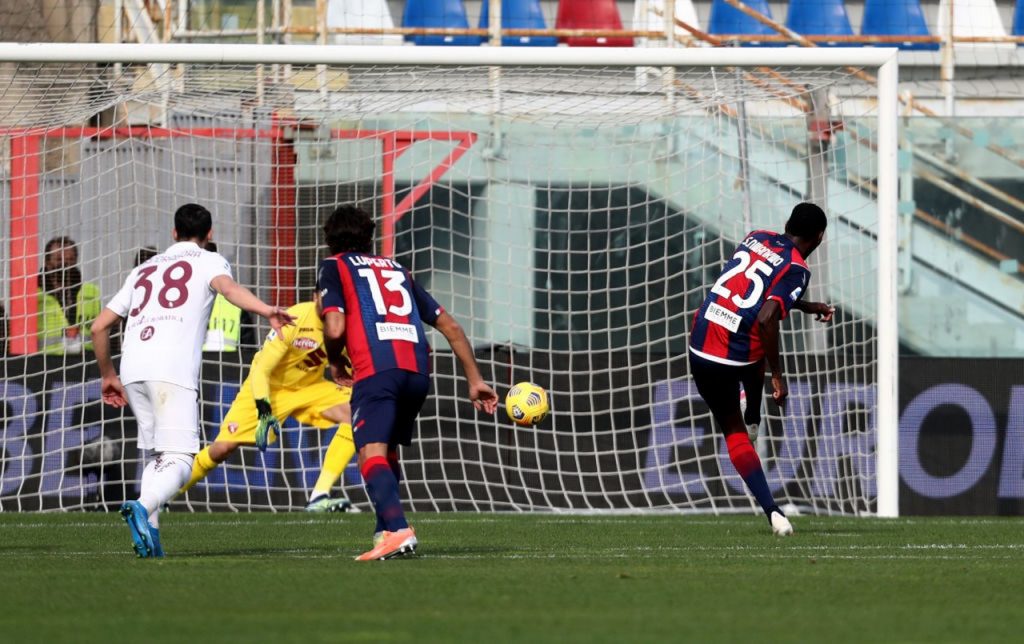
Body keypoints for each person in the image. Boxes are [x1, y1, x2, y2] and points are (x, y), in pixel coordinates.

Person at [91, 203, 294, 558]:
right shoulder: (208, 260)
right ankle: (142, 505)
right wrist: (266, 310)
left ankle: (151, 538)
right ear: (209, 234)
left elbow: (98, 326)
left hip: (132, 366)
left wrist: (109, 374)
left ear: (174, 233)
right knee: (183, 460)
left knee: (157, 455)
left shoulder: (143, 269)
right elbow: (228, 289)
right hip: (171, 367)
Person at [317, 204, 499, 561]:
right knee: (386, 451)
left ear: (329, 240)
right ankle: (384, 531)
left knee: (370, 452)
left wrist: (336, 361)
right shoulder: (398, 269)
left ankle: (399, 529)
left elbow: (335, 328)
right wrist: (475, 380)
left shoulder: (334, 266)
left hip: (376, 369)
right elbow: (451, 327)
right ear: (369, 237)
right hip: (417, 371)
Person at [688, 202, 834, 537]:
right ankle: (752, 415)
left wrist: (807, 306)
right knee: (757, 340)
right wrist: (778, 376)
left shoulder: (757, 237)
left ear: (787, 223)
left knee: (731, 428)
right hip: (733, 356)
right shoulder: (797, 268)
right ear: (819, 237)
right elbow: (767, 317)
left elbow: (754, 291)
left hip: (700, 341)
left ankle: (773, 511)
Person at [178, 293, 358, 513]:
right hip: (269, 387)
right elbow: (262, 370)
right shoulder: (295, 318)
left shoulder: (346, 326)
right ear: (314, 297)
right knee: (222, 449)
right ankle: (165, 495)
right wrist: (264, 410)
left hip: (309, 387)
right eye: (325, 298)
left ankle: (319, 496)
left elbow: (355, 365)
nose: (330, 305)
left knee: (357, 411)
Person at [38, 236, 102, 355]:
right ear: (47, 262)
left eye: (71, 259)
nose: (65, 263)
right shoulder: (35, 294)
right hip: (45, 360)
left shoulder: (91, 292)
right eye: (59, 259)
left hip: (84, 359)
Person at [201, 241, 257, 352]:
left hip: (222, 361)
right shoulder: (236, 303)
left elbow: (248, 348)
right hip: (228, 362)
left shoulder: (236, 303)